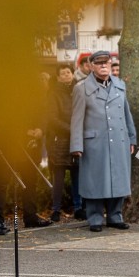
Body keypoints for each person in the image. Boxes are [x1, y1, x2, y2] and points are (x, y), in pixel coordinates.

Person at [70, 50, 137, 232]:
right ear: (91, 66)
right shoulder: (81, 88)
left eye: (106, 63)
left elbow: (126, 114)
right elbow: (76, 119)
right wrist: (76, 145)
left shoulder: (119, 85)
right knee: (95, 181)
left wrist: (131, 138)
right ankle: (95, 218)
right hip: (94, 143)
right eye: (99, 63)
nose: (104, 66)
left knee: (118, 180)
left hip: (119, 141)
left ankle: (116, 216)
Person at [47, 63, 85, 223]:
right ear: (57, 77)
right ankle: (55, 209)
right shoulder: (53, 93)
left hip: (77, 138)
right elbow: (53, 118)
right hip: (60, 140)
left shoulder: (79, 90)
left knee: (77, 175)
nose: (66, 76)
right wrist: (72, 129)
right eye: (62, 74)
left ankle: (78, 207)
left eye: (68, 72)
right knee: (59, 177)